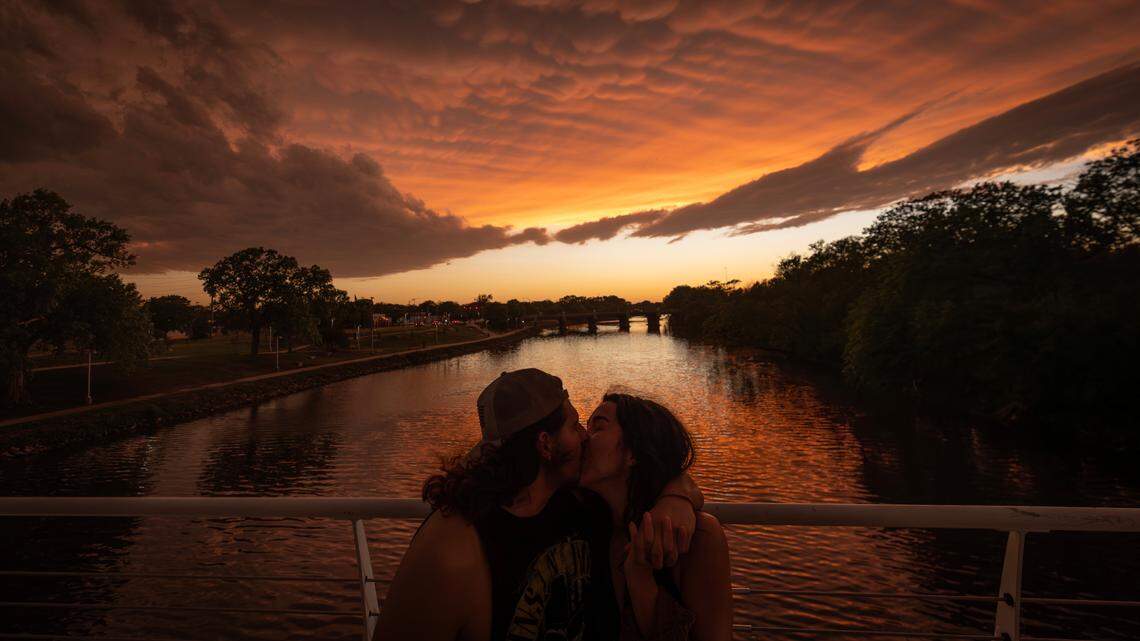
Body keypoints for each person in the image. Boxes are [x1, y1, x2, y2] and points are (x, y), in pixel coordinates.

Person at [374, 369, 703, 641]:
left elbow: (659, 475)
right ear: (546, 445)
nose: (586, 437)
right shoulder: (453, 547)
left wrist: (676, 498)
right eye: (574, 426)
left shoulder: (579, 505)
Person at [580, 393, 732, 640]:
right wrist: (680, 493)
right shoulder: (586, 525)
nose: (583, 438)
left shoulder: (697, 538)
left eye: (598, 427)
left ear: (634, 453)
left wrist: (640, 581)